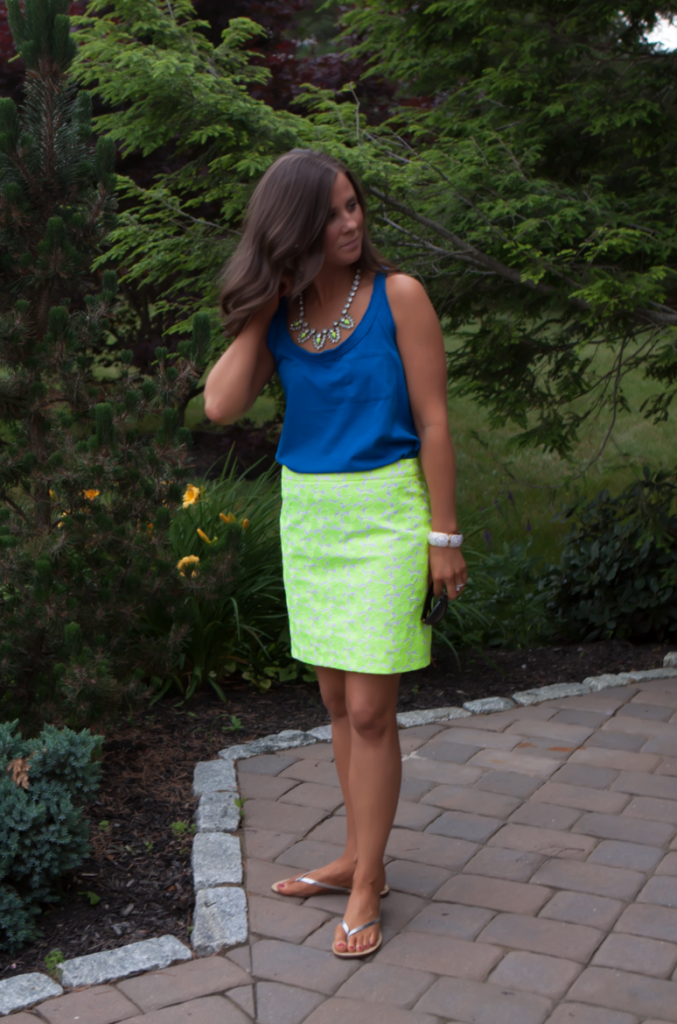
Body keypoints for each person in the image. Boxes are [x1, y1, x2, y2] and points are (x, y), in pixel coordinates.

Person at [204, 149, 467, 959]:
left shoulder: (399, 297)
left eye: (354, 206)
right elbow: (219, 405)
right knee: (331, 702)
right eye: (331, 214)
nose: (350, 223)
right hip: (311, 515)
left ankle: (366, 879)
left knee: (368, 708)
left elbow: (432, 423)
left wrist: (443, 538)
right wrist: (262, 306)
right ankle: (356, 854)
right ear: (291, 230)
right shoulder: (280, 318)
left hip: (387, 509)